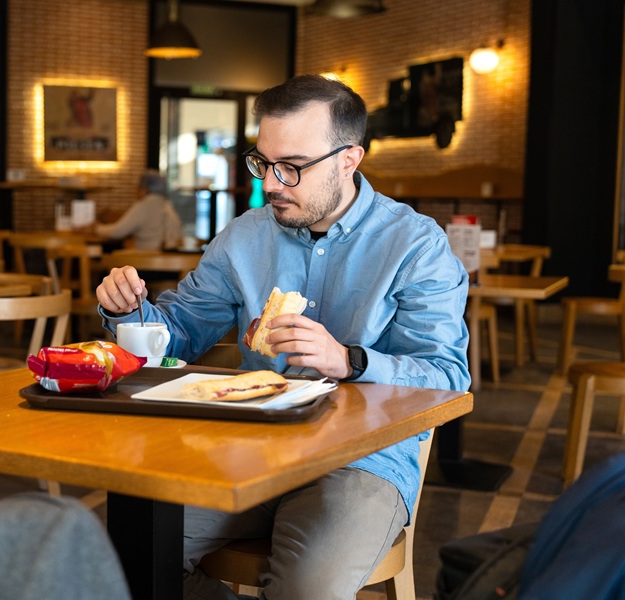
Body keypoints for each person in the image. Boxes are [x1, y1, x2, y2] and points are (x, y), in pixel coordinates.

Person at [95, 75, 470, 599]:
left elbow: (448, 379)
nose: (271, 183)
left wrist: (349, 360)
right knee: (118, 552)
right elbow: (177, 335)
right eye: (263, 163)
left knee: (306, 588)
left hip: (362, 463)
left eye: (292, 167)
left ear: (349, 159)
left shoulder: (415, 245)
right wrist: (129, 312)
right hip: (253, 448)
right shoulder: (244, 235)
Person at [88, 169, 183, 250]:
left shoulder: (144, 205)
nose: (136, 193)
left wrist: (96, 228)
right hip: (170, 262)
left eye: (138, 189)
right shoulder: (166, 204)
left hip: (148, 262)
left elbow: (118, 231)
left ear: (145, 189)